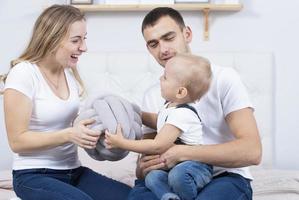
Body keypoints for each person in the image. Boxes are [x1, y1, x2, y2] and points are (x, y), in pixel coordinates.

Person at [128, 7, 262, 200]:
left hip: (224, 176)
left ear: (187, 34)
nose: (163, 49)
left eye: (169, 37)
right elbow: (147, 162)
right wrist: (142, 167)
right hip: (168, 180)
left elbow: (252, 151)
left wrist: (184, 152)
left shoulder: (224, 79)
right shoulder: (152, 94)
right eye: (153, 43)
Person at [2, 5, 130, 200]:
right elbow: (17, 141)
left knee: (135, 196)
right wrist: (69, 134)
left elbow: (76, 124)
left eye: (84, 39)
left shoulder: (68, 74)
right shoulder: (24, 74)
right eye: (75, 40)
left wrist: (106, 131)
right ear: (51, 39)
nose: (84, 47)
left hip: (73, 172)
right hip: (33, 175)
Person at [105, 54, 213, 200]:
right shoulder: (170, 106)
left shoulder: (183, 114)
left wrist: (122, 143)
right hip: (175, 166)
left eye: (165, 77)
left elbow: (157, 146)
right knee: (152, 177)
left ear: (180, 92)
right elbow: (159, 121)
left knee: (177, 176)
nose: (160, 79)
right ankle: (168, 197)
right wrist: (136, 113)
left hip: (195, 167)